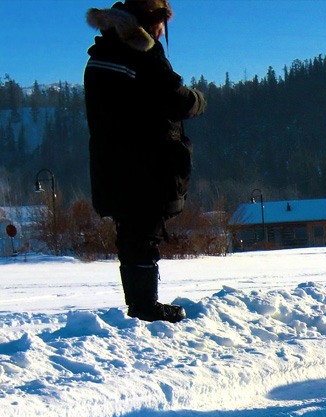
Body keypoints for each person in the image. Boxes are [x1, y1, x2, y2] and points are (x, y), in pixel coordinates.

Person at [85, 0, 205, 323]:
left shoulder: (103, 52)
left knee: (131, 232)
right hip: (143, 163)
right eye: (163, 23)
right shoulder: (140, 51)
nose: (163, 31)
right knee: (142, 232)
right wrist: (198, 100)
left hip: (111, 162)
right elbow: (174, 99)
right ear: (154, 18)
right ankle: (144, 307)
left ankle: (140, 304)